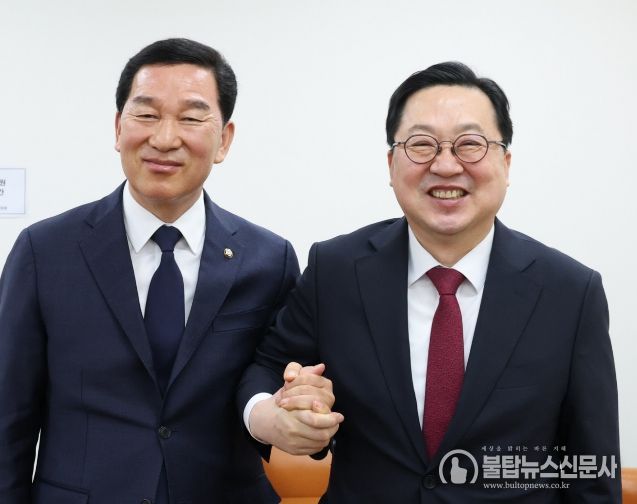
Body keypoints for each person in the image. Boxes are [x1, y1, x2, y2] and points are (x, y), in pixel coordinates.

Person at [240, 62, 621, 502]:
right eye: (421, 144)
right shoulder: (337, 270)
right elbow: (267, 368)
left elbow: (592, 471)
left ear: (506, 163)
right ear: (391, 164)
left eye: (470, 144)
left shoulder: (570, 293)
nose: (445, 165)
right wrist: (272, 415)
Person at [0, 38, 340, 504]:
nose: (164, 138)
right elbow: (8, 413)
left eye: (191, 118)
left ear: (224, 140)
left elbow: (272, 384)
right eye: (146, 114)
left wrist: (301, 409)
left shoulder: (269, 258)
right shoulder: (44, 252)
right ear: (118, 127)